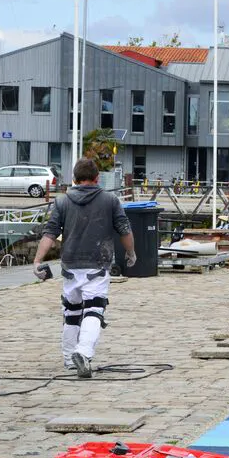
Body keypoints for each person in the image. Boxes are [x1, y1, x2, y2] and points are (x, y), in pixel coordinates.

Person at [33, 158, 135, 378]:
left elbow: (50, 233)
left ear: (74, 178)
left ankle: (70, 358)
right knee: (94, 310)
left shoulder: (62, 202)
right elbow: (124, 230)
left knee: (71, 312)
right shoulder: (110, 200)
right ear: (97, 178)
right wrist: (131, 253)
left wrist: (37, 260)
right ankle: (84, 351)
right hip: (98, 264)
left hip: (70, 265)